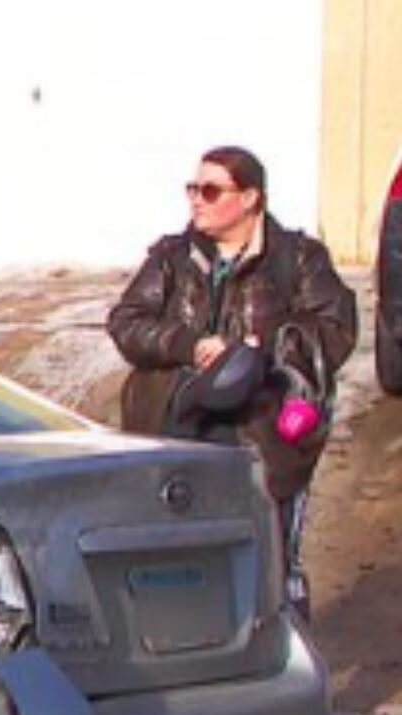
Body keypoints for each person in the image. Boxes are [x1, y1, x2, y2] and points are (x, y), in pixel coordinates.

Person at [107, 145, 357, 621]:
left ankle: (280, 659)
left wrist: (255, 352)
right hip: (173, 427)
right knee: (174, 561)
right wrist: (187, 345)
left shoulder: (298, 259)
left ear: (249, 198)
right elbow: (126, 322)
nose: (196, 200)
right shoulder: (171, 258)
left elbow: (334, 328)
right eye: (192, 189)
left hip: (259, 434)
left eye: (210, 190)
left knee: (268, 561)